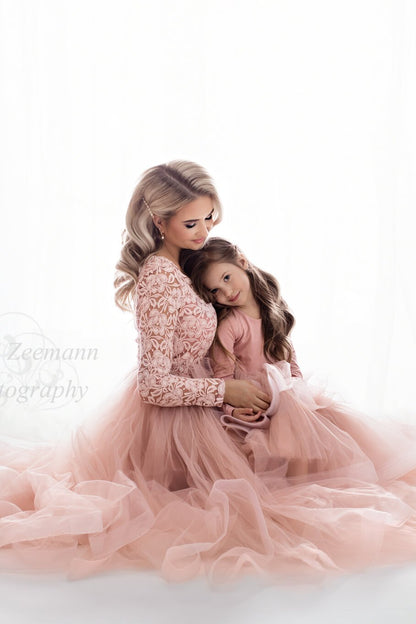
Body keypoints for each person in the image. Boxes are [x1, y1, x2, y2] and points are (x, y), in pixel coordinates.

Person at [2, 160, 416, 587]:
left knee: (313, 433)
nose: (203, 231)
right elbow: (153, 384)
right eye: (191, 222)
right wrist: (224, 391)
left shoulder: (183, 264)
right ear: (159, 223)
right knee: (260, 500)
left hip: (209, 392)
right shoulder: (159, 278)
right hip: (179, 417)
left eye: (209, 218)